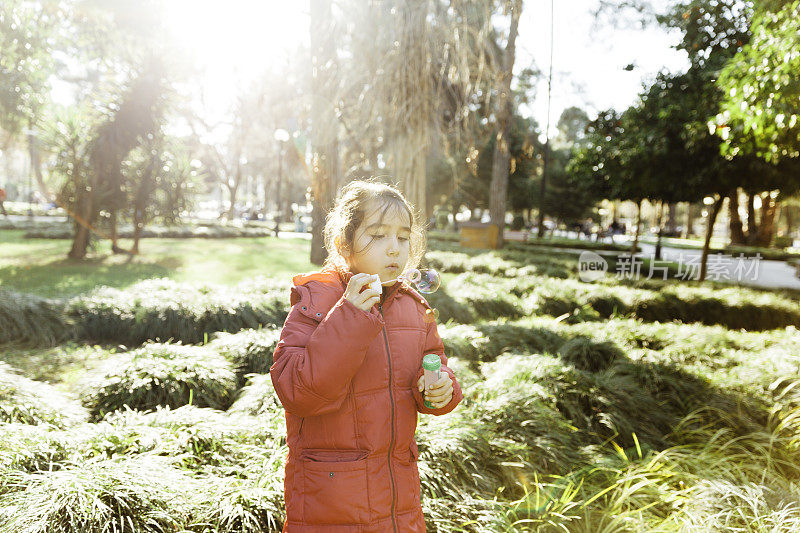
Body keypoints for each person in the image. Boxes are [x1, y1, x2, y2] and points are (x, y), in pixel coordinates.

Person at [270, 178, 464, 532]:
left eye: (403, 237)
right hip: (329, 498)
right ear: (345, 244)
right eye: (377, 235)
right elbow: (296, 391)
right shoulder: (318, 301)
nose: (394, 249)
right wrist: (350, 317)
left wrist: (439, 390)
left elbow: (435, 368)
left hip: (398, 499)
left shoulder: (413, 307)